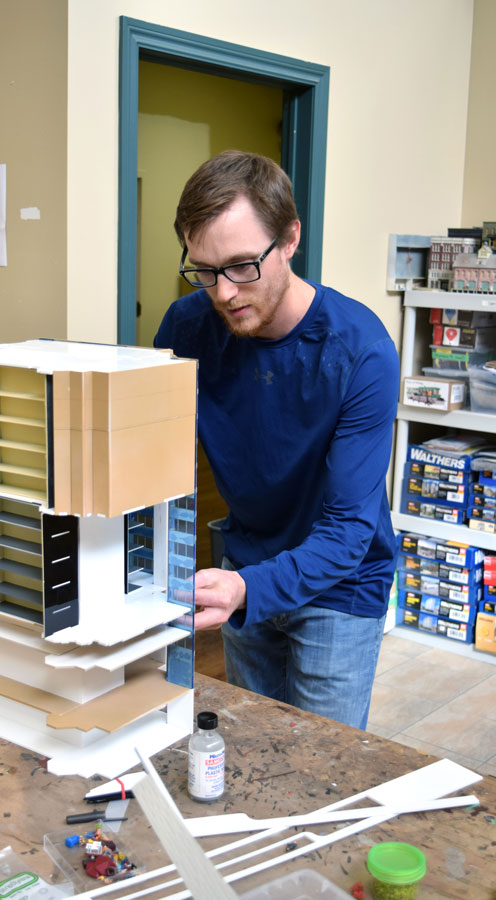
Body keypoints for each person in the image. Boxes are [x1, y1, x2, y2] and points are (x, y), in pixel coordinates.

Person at [154, 150, 400, 730]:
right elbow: (154, 459)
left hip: (341, 583)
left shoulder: (360, 352)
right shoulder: (187, 328)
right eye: (204, 270)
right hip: (246, 559)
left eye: (242, 266)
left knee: (321, 768)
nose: (223, 292)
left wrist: (244, 586)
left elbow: (346, 533)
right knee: (254, 748)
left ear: (289, 239)